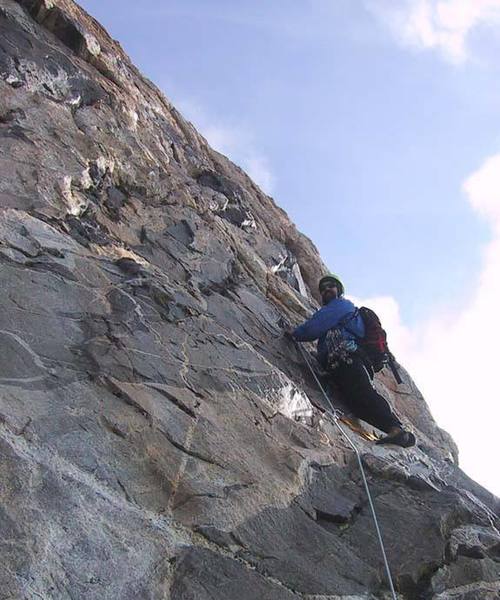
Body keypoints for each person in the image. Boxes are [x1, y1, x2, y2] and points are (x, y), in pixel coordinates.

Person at [286, 273, 415, 447]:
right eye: (323, 288)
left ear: (339, 291)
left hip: (348, 358)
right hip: (341, 363)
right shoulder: (342, 311)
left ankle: (396, 428)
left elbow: (314, 327)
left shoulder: (341, 306)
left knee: (363, 392)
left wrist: (295, 334)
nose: (326, 290)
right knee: (357, 404)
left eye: (330, 286)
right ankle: (394, 431)